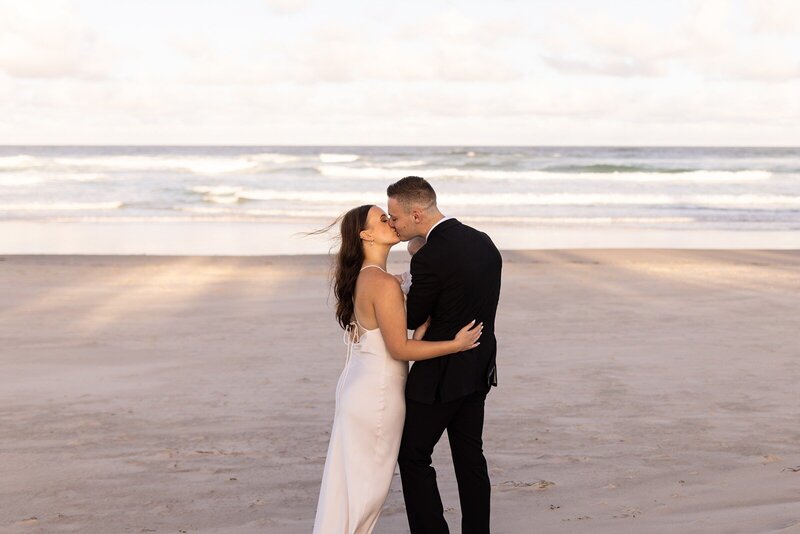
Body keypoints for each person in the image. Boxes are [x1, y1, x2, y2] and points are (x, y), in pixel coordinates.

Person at [312, 204, 483, 534]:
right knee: (365, 494)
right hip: (377, 395)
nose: (391, 221)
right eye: (382, 219)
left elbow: (392, 333)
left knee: (349, 490)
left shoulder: (371, 277)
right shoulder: (382, 283)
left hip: (361, 389)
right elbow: (399, 349)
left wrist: (420, 330)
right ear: (366, 234)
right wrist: (456, 345)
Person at [387, 176, 502, 534]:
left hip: (438, 376)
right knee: (470, 458)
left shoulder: (431, 256)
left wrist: (405, 284)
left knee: (413, 456)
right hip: (479, 365)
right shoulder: (484, 242)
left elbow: (411, 318)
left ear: (417, 214)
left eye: (396, 217)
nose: (393, 224)